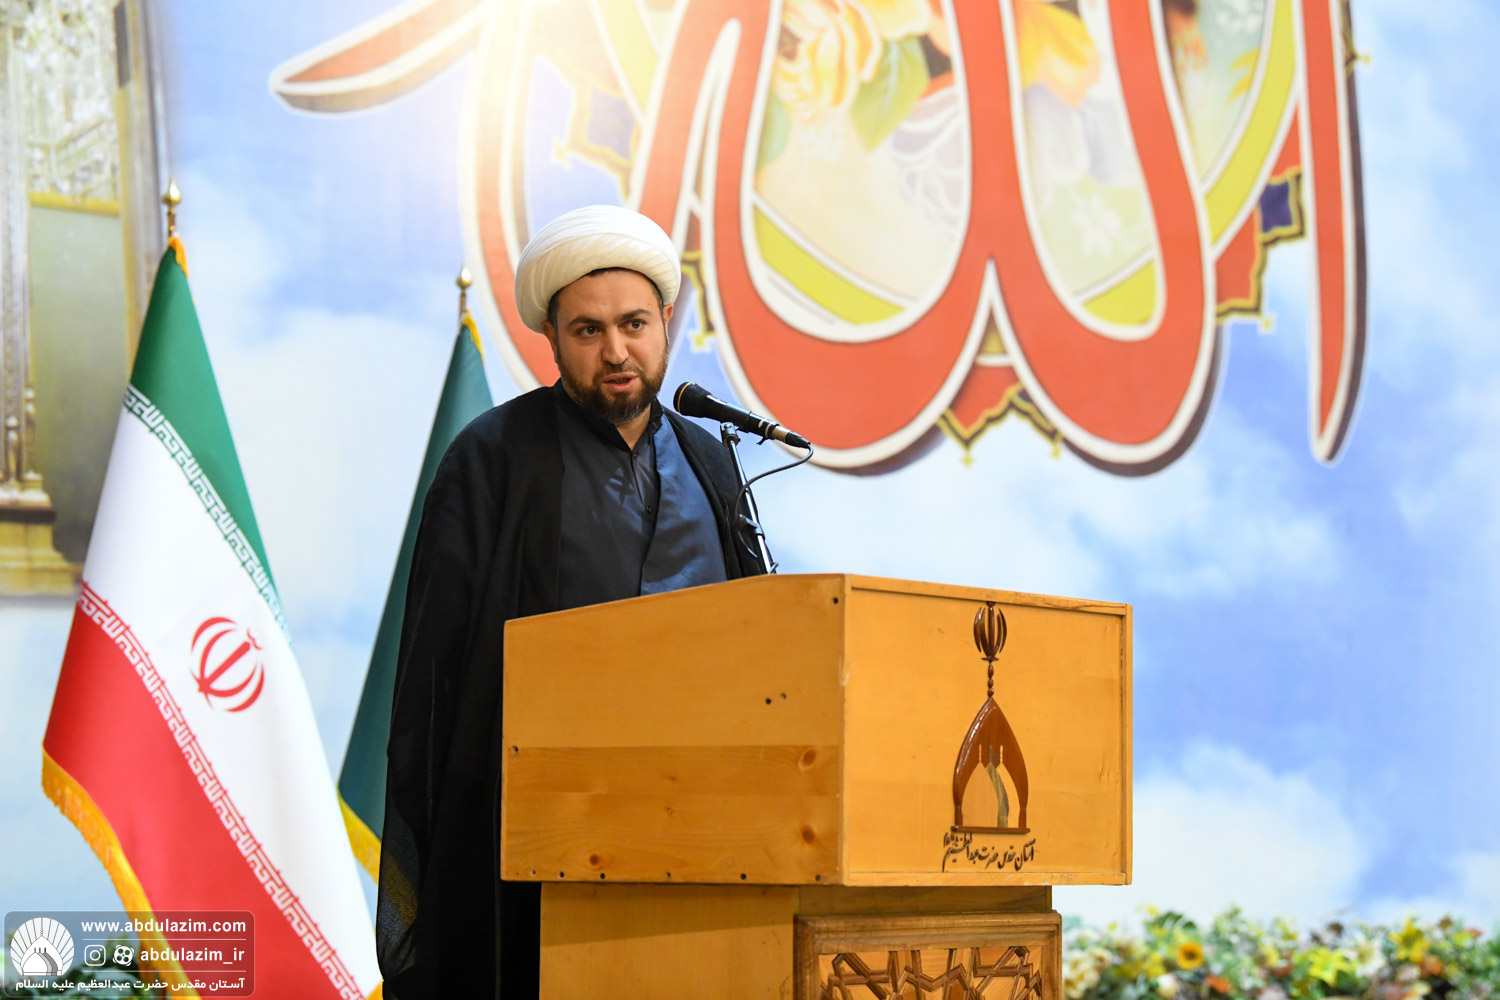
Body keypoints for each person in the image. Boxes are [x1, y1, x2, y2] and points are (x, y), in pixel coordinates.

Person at [374, 205, 766, 999]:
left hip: (699, 825)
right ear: (551, 339)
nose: (616, 351)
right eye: (589, 331)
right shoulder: (491, 459)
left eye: (634, 324)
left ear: (666, 322)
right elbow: (436, 683)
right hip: (538, 836)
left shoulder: (710, 459)